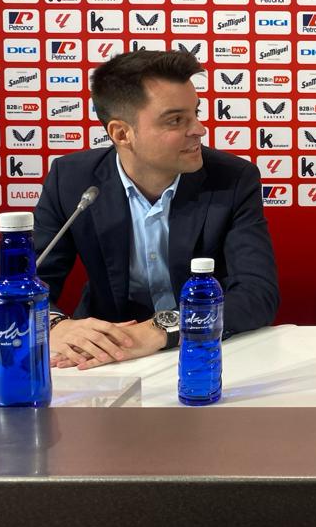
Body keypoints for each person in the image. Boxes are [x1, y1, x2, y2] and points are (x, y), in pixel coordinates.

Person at [34, 50, 279, 369]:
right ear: (122, 133)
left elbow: (257, 292)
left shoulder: (233, 179)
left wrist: (161, 329)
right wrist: (54, 326)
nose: (199, 129)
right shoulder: (71, 180)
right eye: (176, 120)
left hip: (204, 350)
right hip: (106, 355)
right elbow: (27, 281)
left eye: (196, 113)